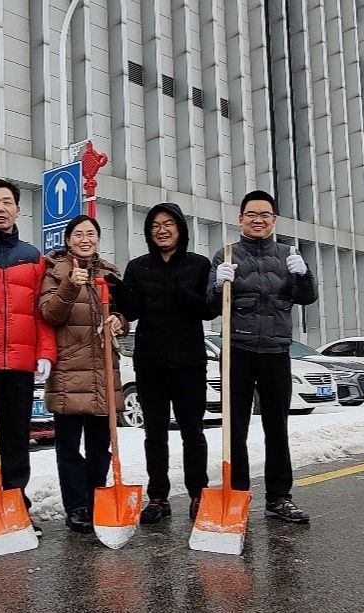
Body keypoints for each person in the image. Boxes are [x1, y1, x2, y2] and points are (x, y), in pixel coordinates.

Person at [208, 190, 317, 523]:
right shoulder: (226, 255)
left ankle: (279, 498)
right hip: (237, 351)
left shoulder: (288, 255)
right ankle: (237, 495)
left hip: (276, 350)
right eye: (252, 214)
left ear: (274, 220)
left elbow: (306, 297)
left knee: (277, 427)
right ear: (240, 219)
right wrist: (218, 286)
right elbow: (210, 306)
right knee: (235, 428)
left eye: (265, 214)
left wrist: (304, 275)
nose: (258, 220)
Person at [111, 202, 218, 523]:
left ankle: (198, 493)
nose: (162, 230)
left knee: (192, 432)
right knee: (154, 433)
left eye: (168, 223)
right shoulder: (138, 267)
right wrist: (119, 291)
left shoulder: (198, 265)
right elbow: (131, 311)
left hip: (189, 363)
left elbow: (210, 309)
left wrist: (188, 297)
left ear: (180, 228)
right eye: (155, 225)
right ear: (148, 232)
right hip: (150, 363)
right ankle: (158, 496)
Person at [0, 178, 56, 540]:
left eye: (7, 202)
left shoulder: (33, 257)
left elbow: (41, 311)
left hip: (19, 364)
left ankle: (16, 504)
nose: (0, 208)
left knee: (17, 441)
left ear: (18, 210)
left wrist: (45, 352)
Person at [38, 215, 127, 533]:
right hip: (69, 374)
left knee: (100, 447)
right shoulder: (54, 270)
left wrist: (119, 320)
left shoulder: (109, 273)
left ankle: (96, 502)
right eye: (78, 234)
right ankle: (76, 508)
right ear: (68, 240)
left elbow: (123, 311)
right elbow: (49, 314)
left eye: (91, 233)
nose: (85, 239)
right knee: (70, 449)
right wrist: (70, 285)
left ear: (98, 239)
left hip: (102, 372)